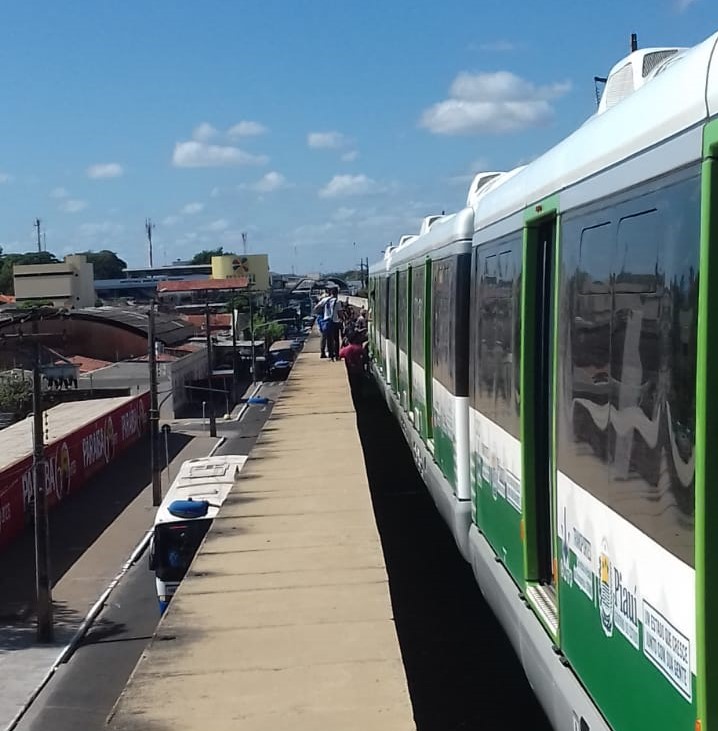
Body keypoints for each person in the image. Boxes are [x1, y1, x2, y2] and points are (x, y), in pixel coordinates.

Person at [339, 331, 367, 398]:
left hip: (350, 371)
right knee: (359, 386)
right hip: (358, 370)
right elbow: (365, 357)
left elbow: (340, 355)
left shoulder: (344, 350)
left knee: (353, 386)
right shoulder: (359, 349)